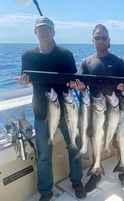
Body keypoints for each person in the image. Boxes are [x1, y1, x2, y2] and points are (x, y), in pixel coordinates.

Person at [16, 16, 86, 201]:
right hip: (41, 111)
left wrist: (76, 83)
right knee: (44, 154)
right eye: (41, 29)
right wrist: (25, 82)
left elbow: (73, 81)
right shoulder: (27, 56)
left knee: (75, 147)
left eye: (47, 29)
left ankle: (77, 181)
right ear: (35, 32)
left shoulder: (65, 54)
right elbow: (29, 81)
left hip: (68, 110)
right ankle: (46, 191)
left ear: (53, 32)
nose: (44, 32)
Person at [69, 24, 124, 192]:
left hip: (115, 110)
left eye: (104, 38)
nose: (101, 40)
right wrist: (79, 87)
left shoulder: (117, 62)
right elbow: (80, 85)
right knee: (95, 140)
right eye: (98, 38)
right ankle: (96, 171)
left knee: (119, 141)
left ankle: (123, 171)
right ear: (93, 40)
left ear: (109, 40)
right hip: (95, 110)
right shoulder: (86, 62)